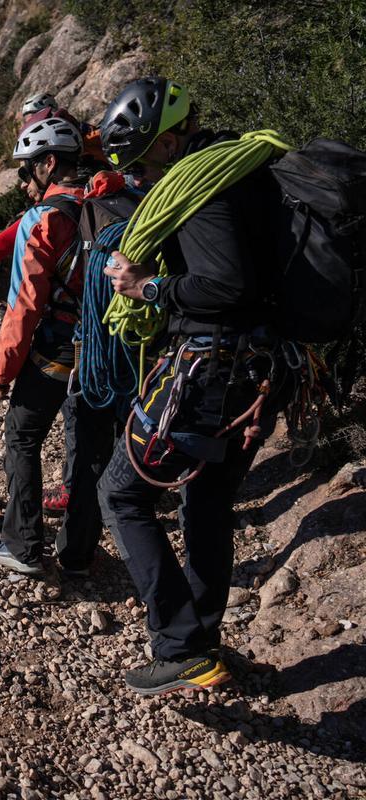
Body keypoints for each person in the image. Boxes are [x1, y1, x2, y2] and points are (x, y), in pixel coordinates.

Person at [97, 77, 294, 694]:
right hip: (264, 367)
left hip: (212, 367)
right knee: (207, 500)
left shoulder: (202, 190)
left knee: (121, 493)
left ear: (173, 137)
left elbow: (225, 286)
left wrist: (146, 287)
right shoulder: (243, 165)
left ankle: (180, 645)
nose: (147, 175)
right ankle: (202, 644)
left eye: (148, 157)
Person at [0, 115, 119, 578]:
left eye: (27, 169)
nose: (23, 179)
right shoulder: (114, 201)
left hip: (56, 351)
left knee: (22, 435)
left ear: (50, 163)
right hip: (105, 350)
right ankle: (78, 555)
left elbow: (24, 307)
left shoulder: (42, 221)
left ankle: (22, 545)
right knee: (92, 449)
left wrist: (3, 372)